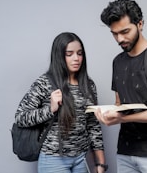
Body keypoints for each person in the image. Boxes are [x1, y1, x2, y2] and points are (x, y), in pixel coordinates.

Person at [95, 0, 147, 173]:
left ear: (140, 24)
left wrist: (123, 119)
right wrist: (109, 114)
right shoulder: (117, 62)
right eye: (114, 33)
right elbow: (120, 105)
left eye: (125, 31)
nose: (120, 39)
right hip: (125, 154)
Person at [15, 32, 107, 173]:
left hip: (82, 159)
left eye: (79, 53)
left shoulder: (88, 85)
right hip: (53, 160)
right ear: (59, 56)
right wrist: (50, 110)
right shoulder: (45, 83)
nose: (76, 58)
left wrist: (100, 163)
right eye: (69, 54)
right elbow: (20, 118)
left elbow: (93, 125)